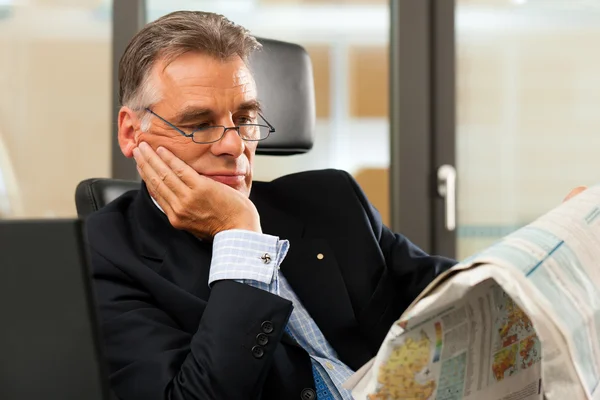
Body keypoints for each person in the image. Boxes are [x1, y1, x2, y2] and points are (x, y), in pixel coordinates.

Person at [86, 10, 461, 400]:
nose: (234, 146)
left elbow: (458, 295)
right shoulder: (102, 254)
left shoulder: (332, 200)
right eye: (199, 124)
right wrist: (241, 237)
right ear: (132, 133)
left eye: (245, 117)